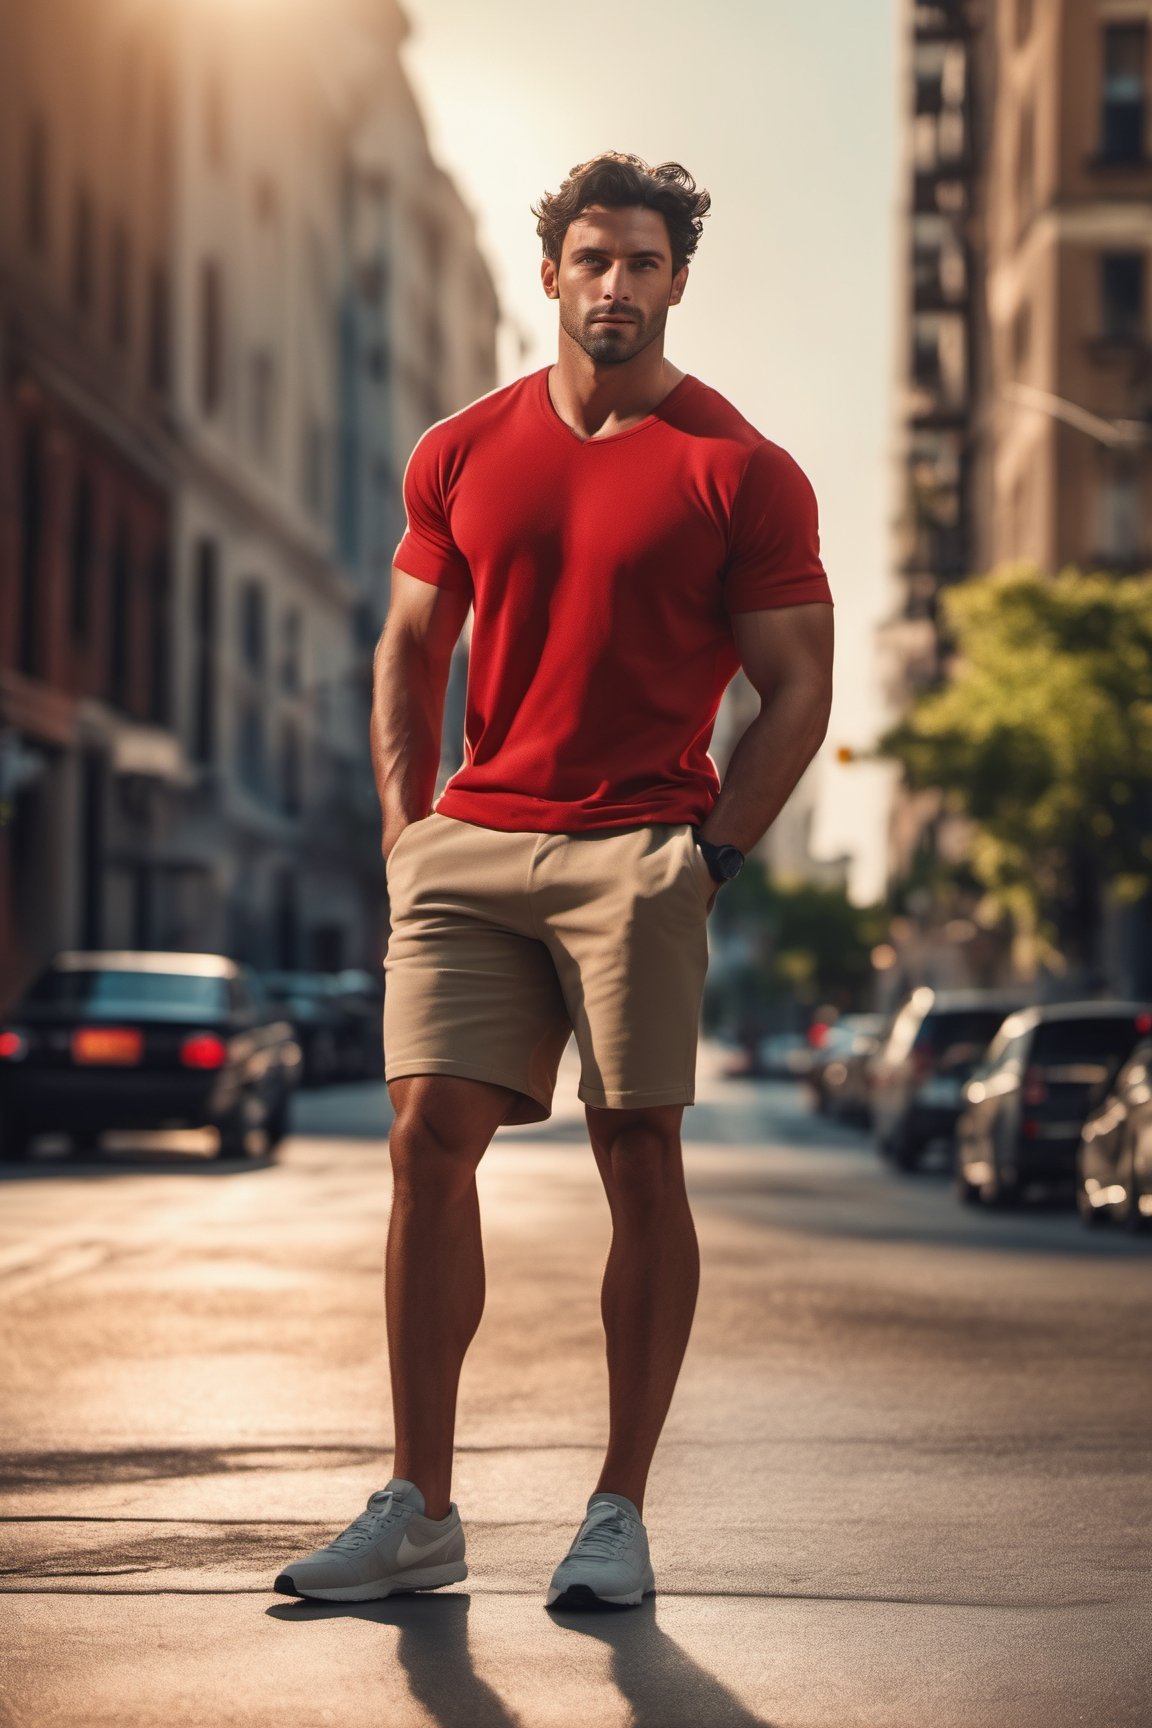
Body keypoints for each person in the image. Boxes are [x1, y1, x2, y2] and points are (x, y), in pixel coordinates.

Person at [275, 151, 833, 1609]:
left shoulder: (743, 472)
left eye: (644, 264)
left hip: (639, 848)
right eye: (594, 259)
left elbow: (800, 690)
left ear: (676, 283)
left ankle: (618, 1511)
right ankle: (418, 1506)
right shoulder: (462, 449)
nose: (616, 287)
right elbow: (411, 648)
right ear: (554, 275)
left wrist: (701, 867)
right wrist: (410, 835)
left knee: (637, 1152)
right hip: (471, 841)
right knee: (424, 1143)